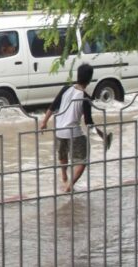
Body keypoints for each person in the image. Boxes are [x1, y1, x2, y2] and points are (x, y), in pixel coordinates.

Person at [39, 63, 112, 192]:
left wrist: (44, 122)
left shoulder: (65, 88)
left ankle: (64, 176)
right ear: (89, 79)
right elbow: (89, 123)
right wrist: (102, 136)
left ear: (77, 76)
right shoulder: (85, 98)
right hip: (73, 132)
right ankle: (69, 185)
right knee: (82, 161)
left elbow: (53, 105)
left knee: (63, 155)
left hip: (59, 131)